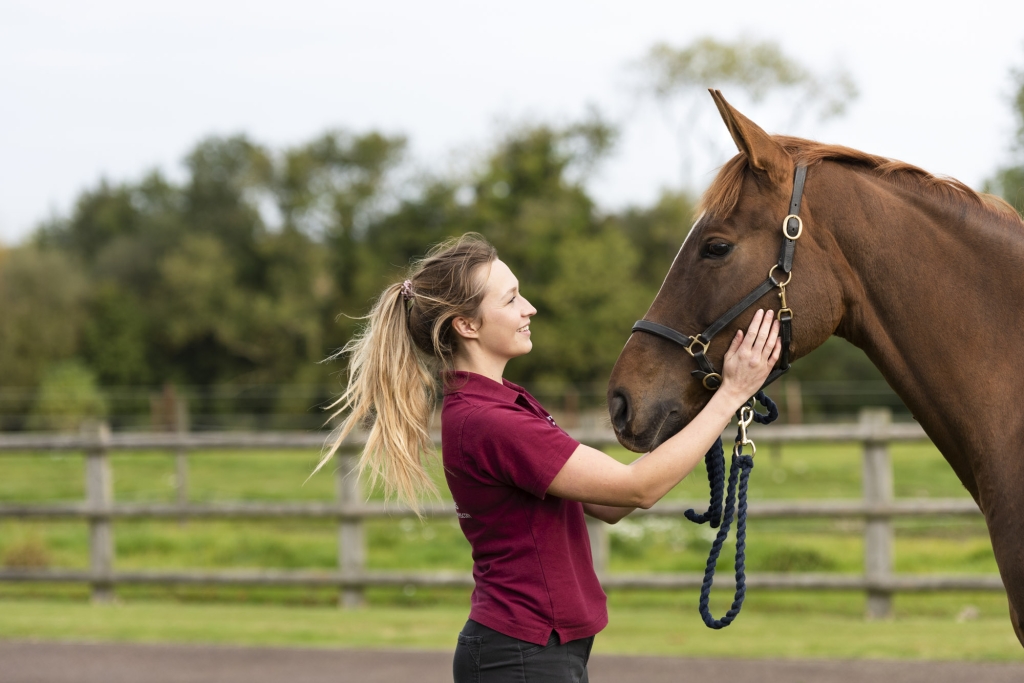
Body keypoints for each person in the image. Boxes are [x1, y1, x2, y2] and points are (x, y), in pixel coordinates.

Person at [314, 233, 780, 683]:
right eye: (511, 299)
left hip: (535, 651)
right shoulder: (491, 421)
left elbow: (610, 505)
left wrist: (706, 406)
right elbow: (637, 489)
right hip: (522, 655)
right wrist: (732, 394)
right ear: (468, 325)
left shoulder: (502, 405)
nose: (528, 308)